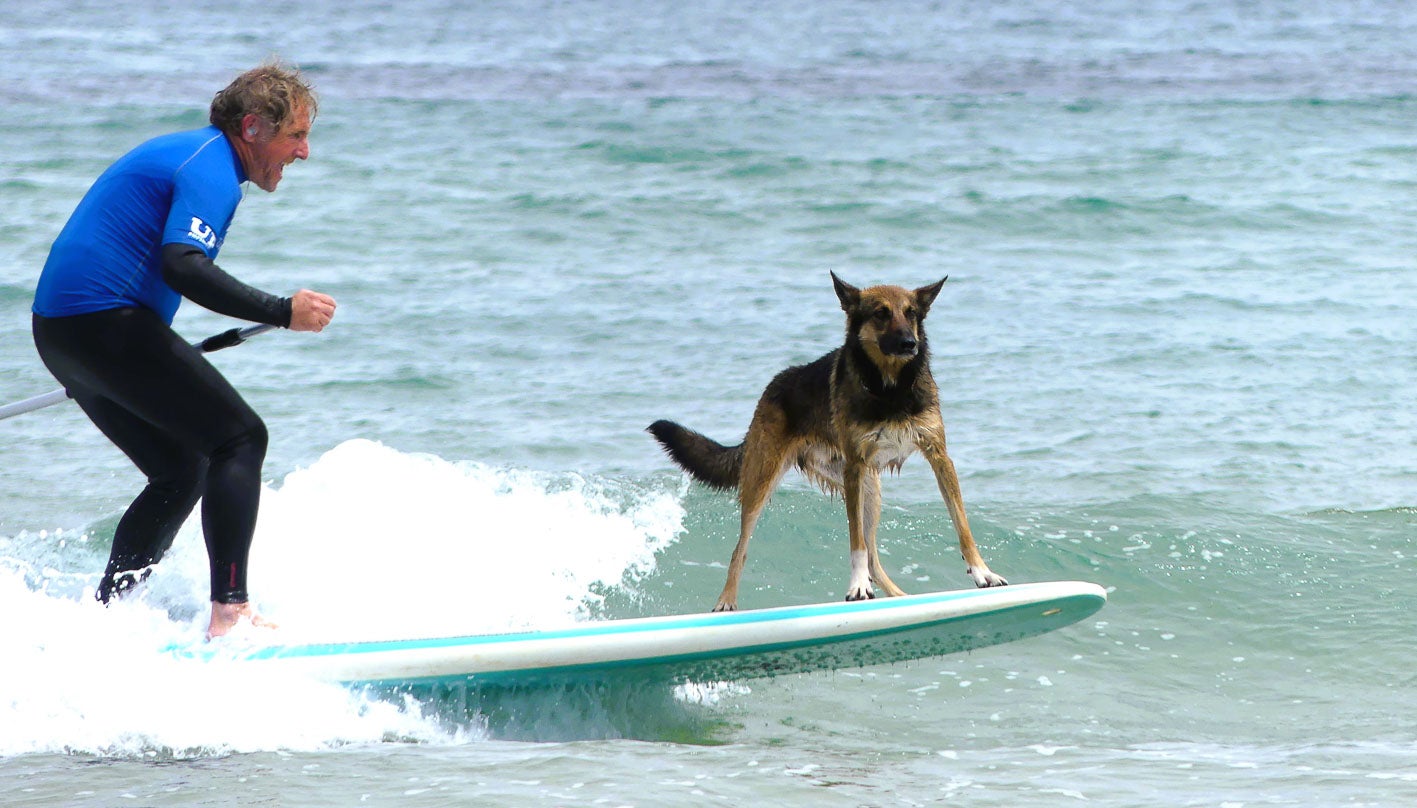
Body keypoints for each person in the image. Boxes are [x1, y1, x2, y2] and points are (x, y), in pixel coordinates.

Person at [31, 61, 337, 639]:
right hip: (103, 325)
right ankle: (231, 614)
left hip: (62, 334)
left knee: (180, 468)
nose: (303, 153)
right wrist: (280, 311)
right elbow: (183, 265)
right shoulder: (213, 169)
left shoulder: (193, 153)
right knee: (241, 439)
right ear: (252, 128)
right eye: (295, 135)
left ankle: (108, 617)